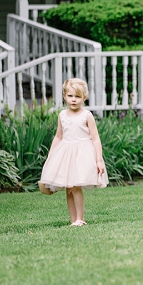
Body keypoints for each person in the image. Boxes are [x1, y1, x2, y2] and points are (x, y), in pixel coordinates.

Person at [38, 78, 107, 225]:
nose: (73, 100)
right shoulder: (62, 115)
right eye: (70, 96)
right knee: (69, 188)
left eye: (77, 96)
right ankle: (73, 220)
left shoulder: (87, 115)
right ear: (64, 96)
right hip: (66, 154)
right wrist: (51, 156)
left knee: (76, 186)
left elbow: (95, 138)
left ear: (84, 97)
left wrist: (99, 160)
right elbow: (58, 136)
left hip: (82, 155)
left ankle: (80, 219)